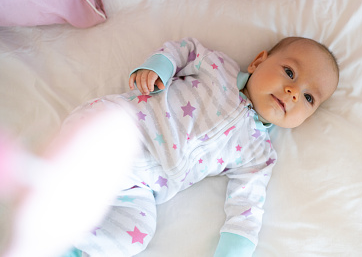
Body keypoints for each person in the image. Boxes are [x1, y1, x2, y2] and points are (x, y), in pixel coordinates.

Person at [65, 36, 339, 257]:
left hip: (139, 187)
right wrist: (160, 65)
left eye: (308, 97)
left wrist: (235, 249)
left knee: (134, 236)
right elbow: (185, 50)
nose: (293, 92)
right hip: (119, 130)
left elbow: (247, 206)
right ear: (257, 62)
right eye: (290, 72)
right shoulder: (219, 68)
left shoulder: (259, 155)